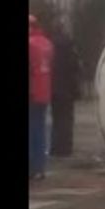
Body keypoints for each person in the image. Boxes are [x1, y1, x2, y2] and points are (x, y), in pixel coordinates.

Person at [48, 24, 81, 158]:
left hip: (53, 87)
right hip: (67, 88)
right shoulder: (70, 47)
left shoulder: (50, 46)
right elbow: (75, 68)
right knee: (66, 119)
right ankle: (65, 148)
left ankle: (55, 147)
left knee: (56, 118)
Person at [29, 15, 54, 181]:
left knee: (31, 131)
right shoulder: (47, 43)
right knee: (39, 129)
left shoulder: (30, 44)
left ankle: (32, 167)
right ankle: (40, 167)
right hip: (43, 92)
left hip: (31, 93)